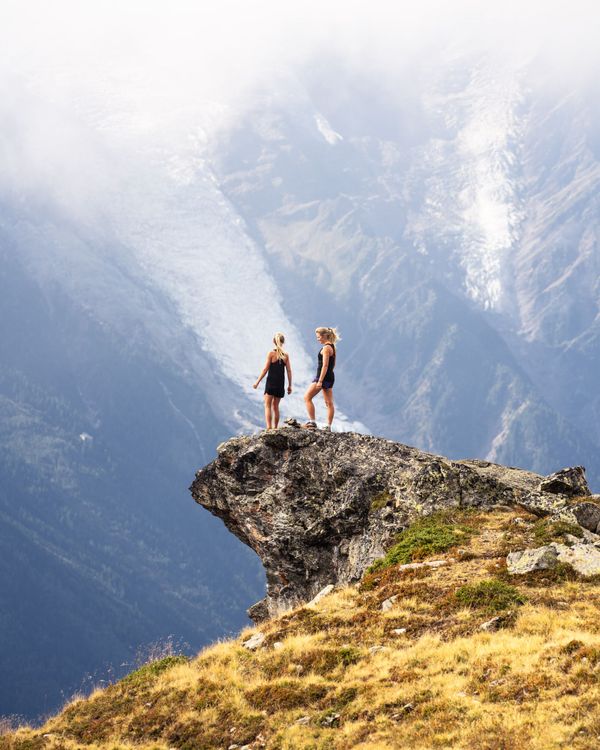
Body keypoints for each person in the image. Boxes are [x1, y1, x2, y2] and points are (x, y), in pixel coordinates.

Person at [253, 332, 293, 429]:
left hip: (271, 383)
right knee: (276, 407)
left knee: (267, 406)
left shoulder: (271, 354)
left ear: (273, 341)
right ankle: (275, 428)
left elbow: (265, 369)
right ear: (283, 342)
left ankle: (269, 428)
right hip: (280, 384)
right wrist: (290, 385)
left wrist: (257, 382)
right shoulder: (286, 355)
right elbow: (288, 371)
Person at [303, 326, 340, 430]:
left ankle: (312, 422)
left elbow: (325, 365)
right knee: (329, 403)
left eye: (318, 337)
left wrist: (320, 380)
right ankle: (328, 426)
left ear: (324, 336)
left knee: (307, 397)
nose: (317, 339)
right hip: (329, 377)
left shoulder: (326, 348)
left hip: (322, 377)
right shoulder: (332, 346)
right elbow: (333, 365)